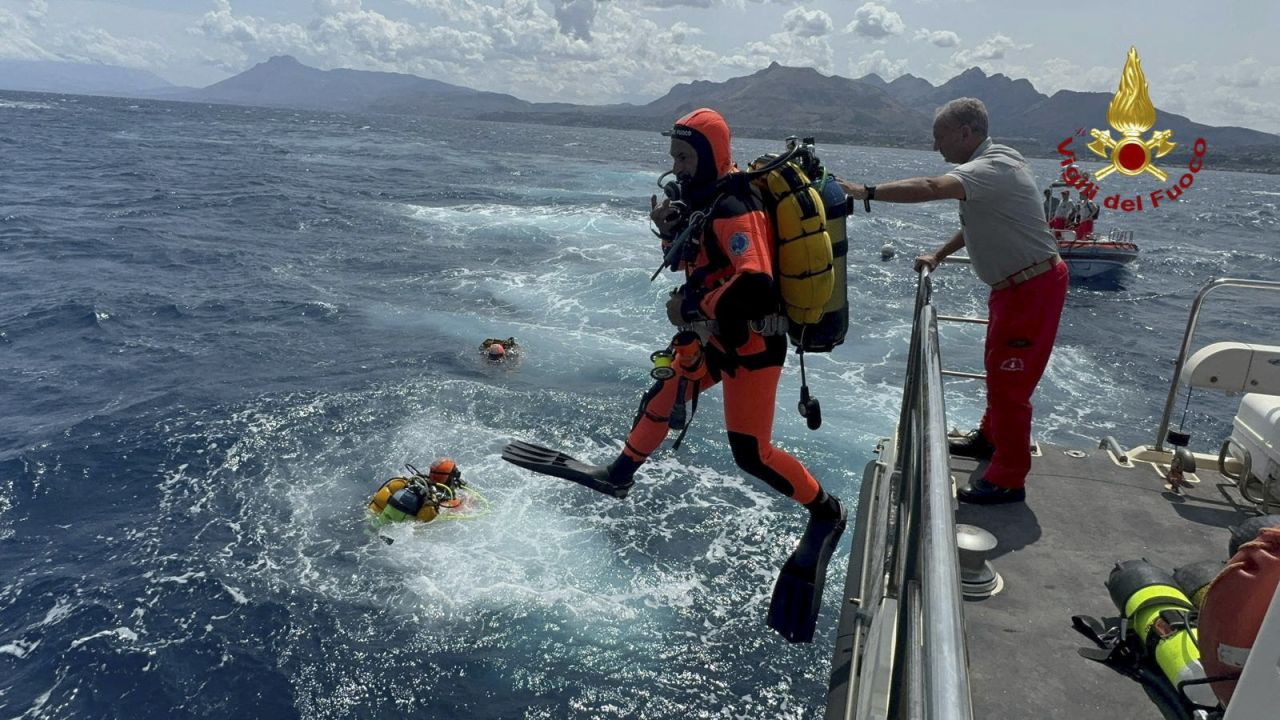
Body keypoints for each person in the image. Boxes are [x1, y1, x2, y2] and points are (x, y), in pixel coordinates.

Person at [503, 108, 846, 643]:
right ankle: (619, 474)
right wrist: (669, 234)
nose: (678, 168)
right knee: (667, 389)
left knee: (751, 453)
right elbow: (700, 259)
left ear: (710, 155)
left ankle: (826, 512)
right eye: (675, 158)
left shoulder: (733, 203)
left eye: (686, 158)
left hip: (750, 343)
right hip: (713, 336)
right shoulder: (704, 200)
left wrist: (692, 304)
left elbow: (753, 283)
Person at [837, 97, 1068, 504]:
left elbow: (930, 187)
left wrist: (864, 191)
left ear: (966, 133)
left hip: (1032, 289)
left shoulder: (990, 168)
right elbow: (983, 221)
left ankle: (1008, 478)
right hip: (1016, 287)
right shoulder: (1000, 161)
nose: (935, 147)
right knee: (999, 372)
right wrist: (940, 254)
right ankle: (989, 439)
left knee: (1011, 384)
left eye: (939, 137)